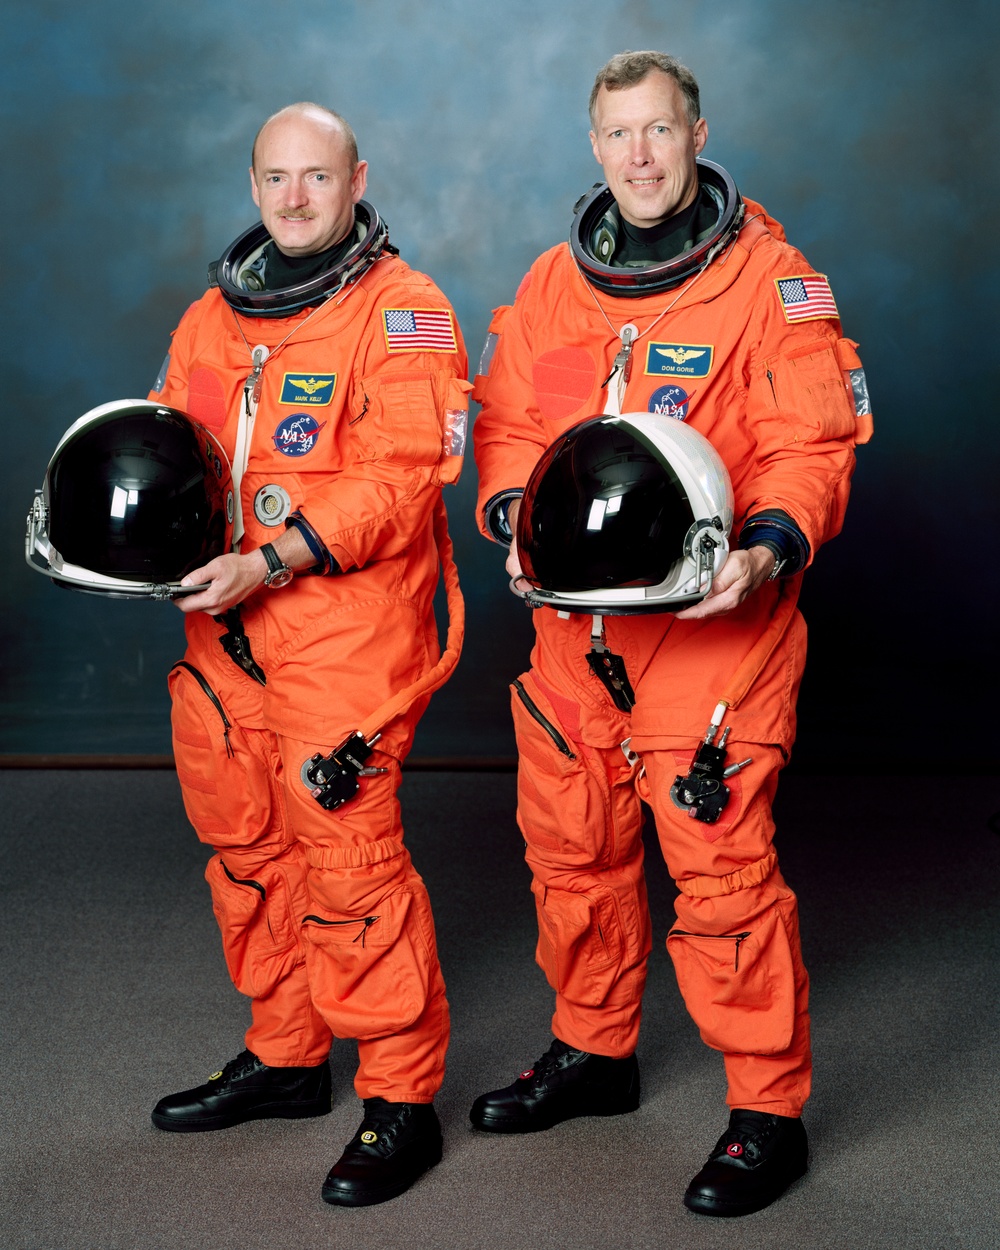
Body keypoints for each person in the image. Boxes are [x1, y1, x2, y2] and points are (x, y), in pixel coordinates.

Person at [470, 51, 871, 1217]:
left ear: (696, 133)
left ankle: (765, 1110)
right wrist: (513, 517)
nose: (638, 156)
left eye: (657, 130)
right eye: (616, 134)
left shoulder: (772, 283)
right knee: (574, 855)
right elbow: (508, 425)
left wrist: (769, 547)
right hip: (574, 633)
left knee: (720, 874)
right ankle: (593, 1050)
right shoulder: (554, 283)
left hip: (710, 629)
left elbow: (808, 443)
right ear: (593, 145)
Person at [147, 102, 471, 1208]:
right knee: (246, 848)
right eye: (276, 178)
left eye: (317, 177)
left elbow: (398, 480)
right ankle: (287, 1054)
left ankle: (399, 1098)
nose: (294, 198)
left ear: (356, 180)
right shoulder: (210, 318)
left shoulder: (406, 311)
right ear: (253, 186)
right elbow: (169, 445)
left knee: (349, 862)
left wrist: (272, 559)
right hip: (224, 629)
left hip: (344, 625)